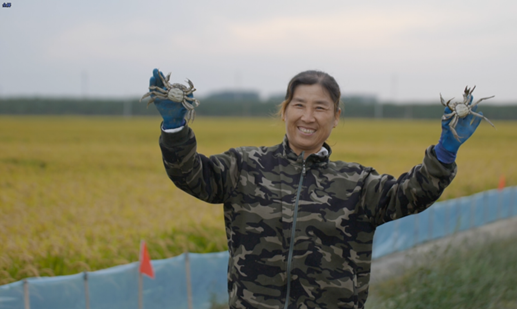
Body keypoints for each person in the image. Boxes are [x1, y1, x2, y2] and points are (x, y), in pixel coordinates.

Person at [148, 68, 482, 309]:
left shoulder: (357, 182)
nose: (308, 116)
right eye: (299, 105)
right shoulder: (244, 166)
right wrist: (175, 129)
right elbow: (190, 174)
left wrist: (444, 152)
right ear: (284, 111)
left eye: (320, 108)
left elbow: (413, 193)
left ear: (336, 118)